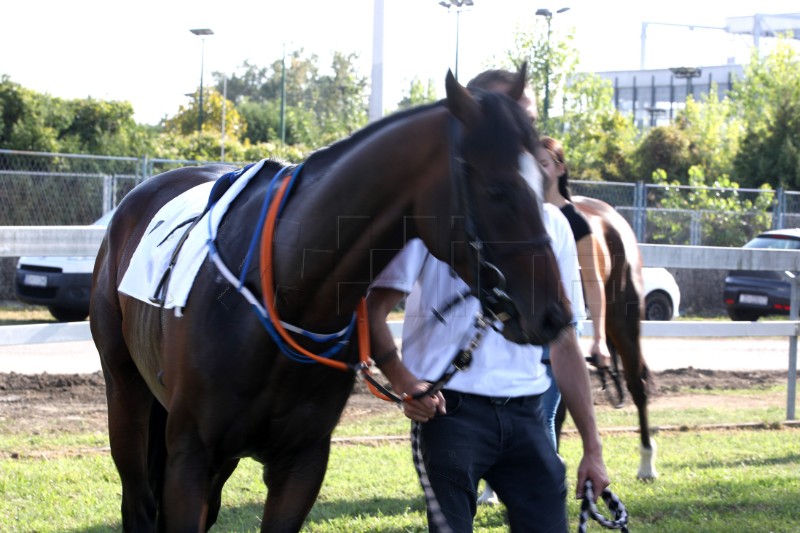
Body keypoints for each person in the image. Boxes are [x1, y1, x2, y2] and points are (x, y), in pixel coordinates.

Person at [366, 69, 609, 532]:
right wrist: (404, 382)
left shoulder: (553, 225)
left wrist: (593, 450)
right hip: (451, 413)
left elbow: (564, 344)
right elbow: (372, 312)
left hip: (528, 412)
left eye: (528, 122)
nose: (522, 134)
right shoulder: (429, 215)